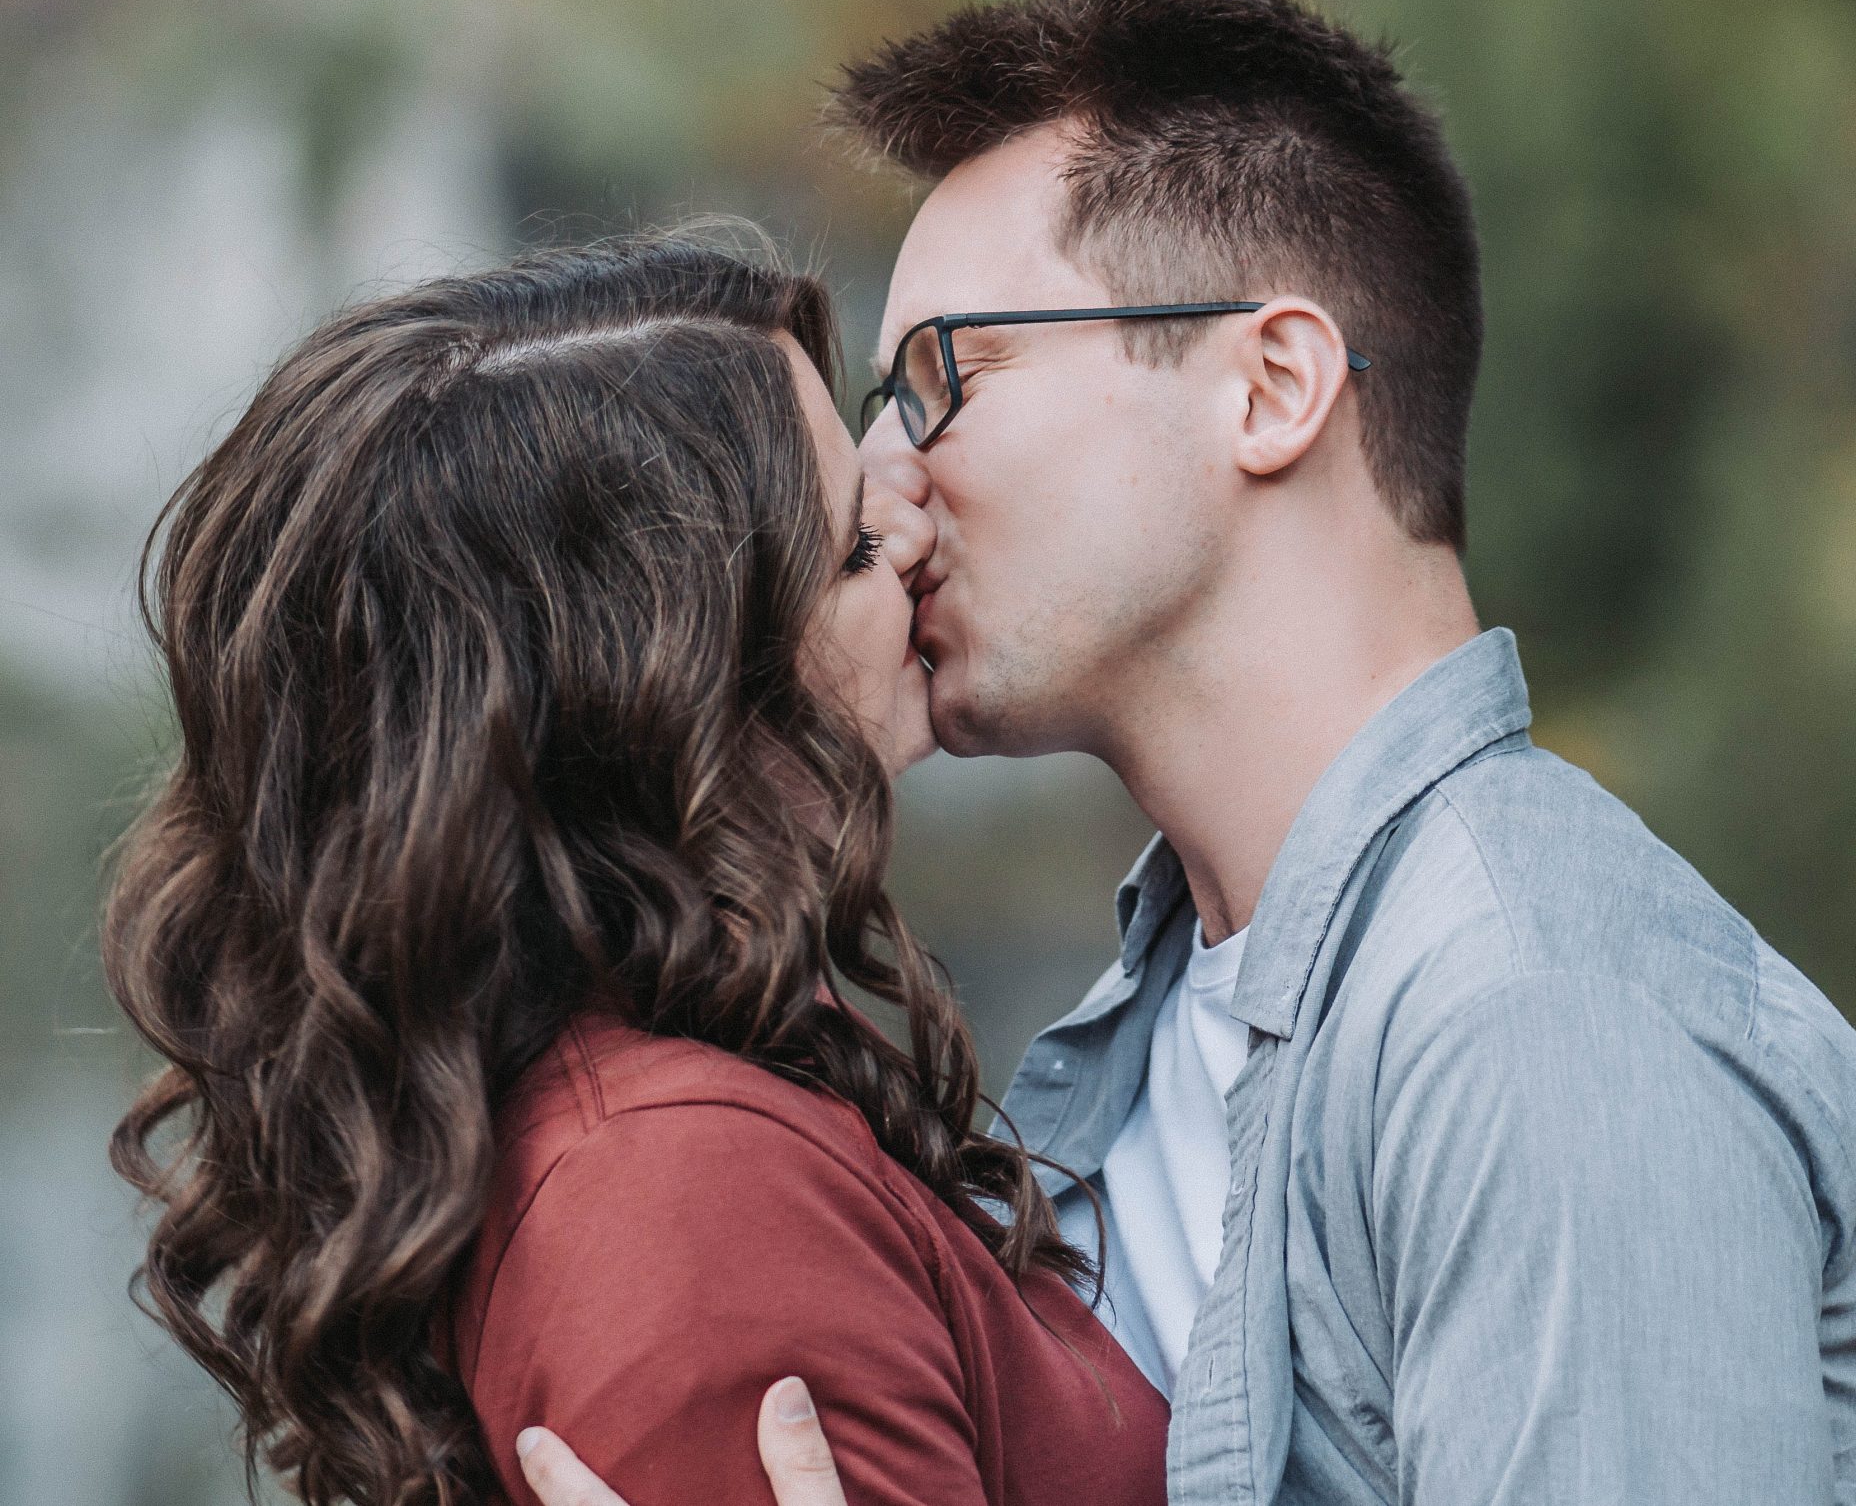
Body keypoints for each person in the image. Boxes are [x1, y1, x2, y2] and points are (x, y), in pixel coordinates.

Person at [528, 0, 1856, 1505]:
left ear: (1269, 386)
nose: (887, 483)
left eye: (944, 378)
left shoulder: (1534, 1014)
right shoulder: (1165, 1017)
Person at [104, 234, 1168, 1506]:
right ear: (663, 697)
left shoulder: (674, 1099)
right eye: (847, 549)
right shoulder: (682, 1197)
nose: (915, 511)